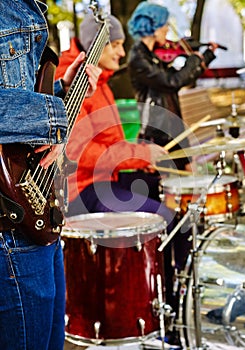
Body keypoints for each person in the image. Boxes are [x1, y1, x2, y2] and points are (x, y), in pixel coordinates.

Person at [55, 12, 184, 316]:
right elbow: (75, 154)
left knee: (167, 202)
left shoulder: (101, 80)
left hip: (101, 179)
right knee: (160, 217)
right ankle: (151, 308)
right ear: (95, 45)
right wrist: (138, 156)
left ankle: (166, 298)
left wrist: (143, 152)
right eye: (115, 44)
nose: (122, 53)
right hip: (78, 190)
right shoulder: (74, 81)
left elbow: (108, 144)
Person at [0, 2, 101, 349]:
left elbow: (17, 96)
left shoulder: (29, 6)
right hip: (9, 228)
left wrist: (62, 89)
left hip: (35, 215)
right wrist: (51, 120)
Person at [127, 1, 219, 172]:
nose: (168, 29)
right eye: (165, 25)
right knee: (167, 190)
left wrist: (205, 58)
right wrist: (193, 61)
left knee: (190, 180)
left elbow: (180, 79)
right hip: (157, 132)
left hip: (174, 126)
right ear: (154, 27)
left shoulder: (154, 54)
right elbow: (172, 82)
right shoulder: (139, 58)